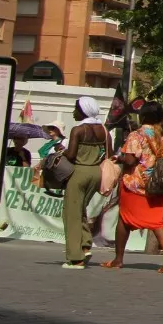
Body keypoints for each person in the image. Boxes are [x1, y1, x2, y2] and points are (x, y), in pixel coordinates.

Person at [104, 100, 163, 273]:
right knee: (157, 221)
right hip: (157, 186)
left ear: (142, 116)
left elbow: (130, 160)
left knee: (124, 219)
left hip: (136, 185)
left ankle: (118, 259)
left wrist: (119, 158)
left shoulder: (136, 135)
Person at [60, 96, 110, 269]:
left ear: (83, 110)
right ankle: (86, 246)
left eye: (76, 108)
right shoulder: (103, 129)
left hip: (79, 172)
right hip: (96, 173)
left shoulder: (78, 130)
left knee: (71, 214)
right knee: (80, 209)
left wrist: (62, 151)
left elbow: (72, 155)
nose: (74, 112)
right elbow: (108, 153)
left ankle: (76, 258)